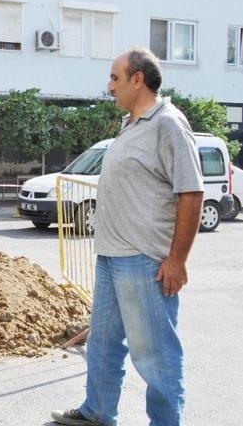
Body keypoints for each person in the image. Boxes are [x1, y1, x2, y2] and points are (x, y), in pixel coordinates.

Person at [51, 48, 203, 426]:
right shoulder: (132, 124)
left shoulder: (168, 123)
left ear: (138, 79)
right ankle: (97, 411)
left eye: (115, 78)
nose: (109, 86)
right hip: (110, 256)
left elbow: (191, 193)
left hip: (144, 259)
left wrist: (177, 260)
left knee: (156, 355)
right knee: (102, 344)